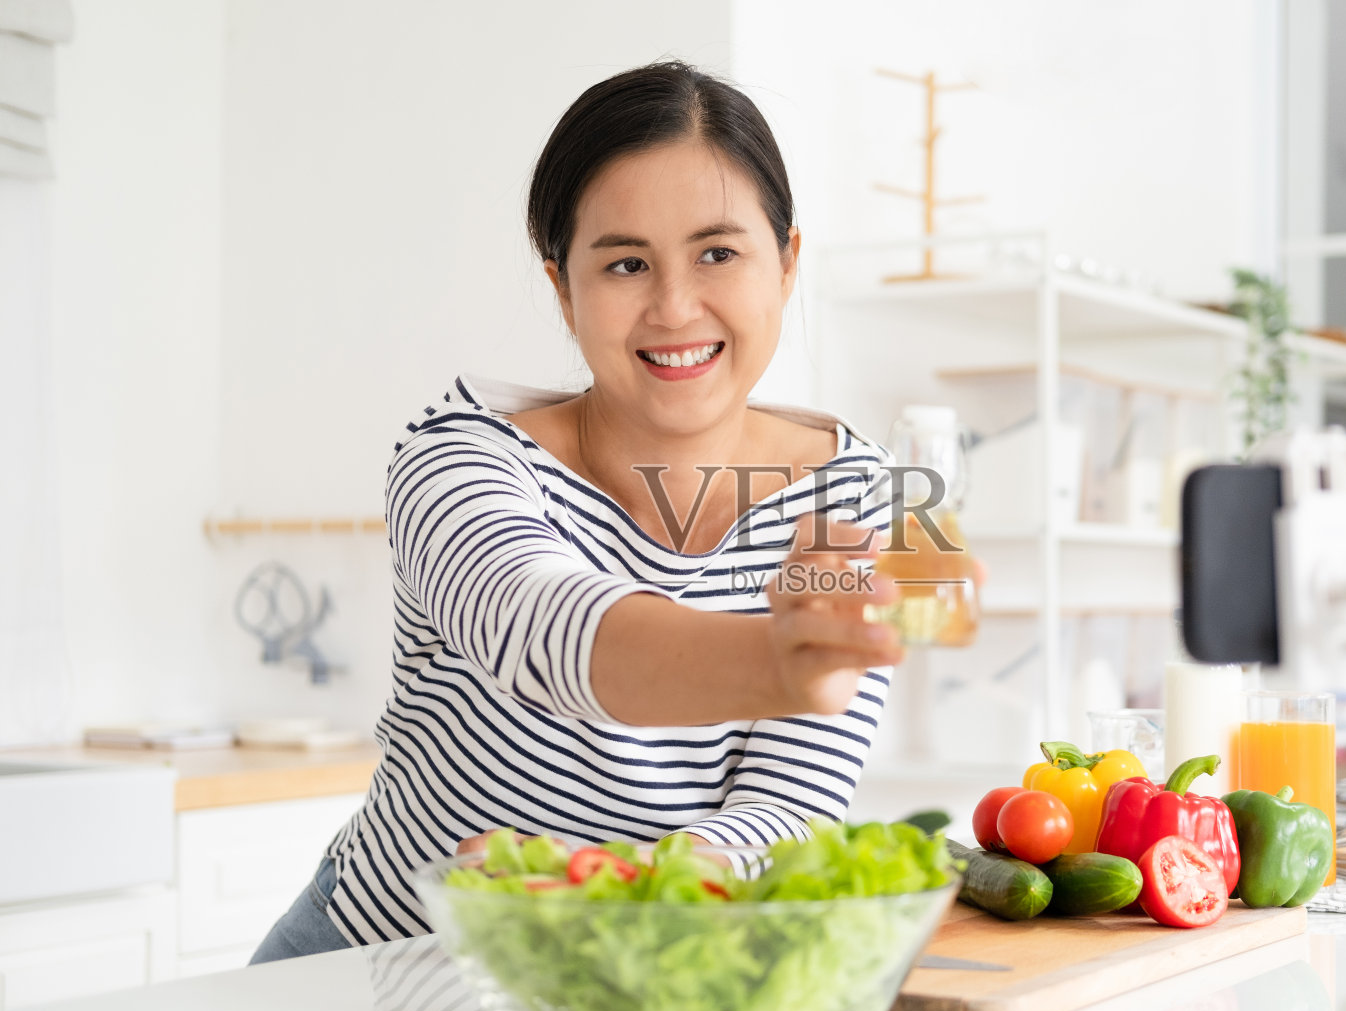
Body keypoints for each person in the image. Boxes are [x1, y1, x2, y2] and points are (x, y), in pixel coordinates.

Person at [250, 61, 912, 963]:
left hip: (633, 973)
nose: (675, 307)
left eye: (718, 252)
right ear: (564, 286)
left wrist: (621, 898)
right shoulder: (461, 457)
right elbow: (555, 631)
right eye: (626, 263)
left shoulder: (854, 493)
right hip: (382, 963)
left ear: (787, 262)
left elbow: (789, 804)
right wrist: (780, 662)